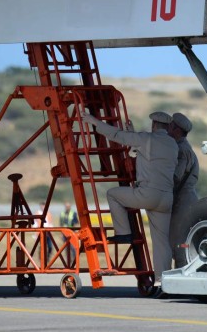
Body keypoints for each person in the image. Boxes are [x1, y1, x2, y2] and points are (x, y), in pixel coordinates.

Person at [80, 110, 178, 285]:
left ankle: (124, 233)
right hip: (166, 197)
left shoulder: (146, 139)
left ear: (154, 125)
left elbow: (117, 135)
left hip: (147, 194)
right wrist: (133, 133)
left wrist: (92, 120)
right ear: (168, 127)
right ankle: (163, 280)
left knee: (113, 195)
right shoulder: (173, 144)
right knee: (162, 242)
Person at [167, 112, 199, 263]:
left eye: (170, 126)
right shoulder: (181, 147)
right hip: (183, 199)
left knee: (179, 243)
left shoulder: (182, 150)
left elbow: (175, 177)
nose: (167, 129)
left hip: (183, 201)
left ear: (177, 130)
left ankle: (180, 280)